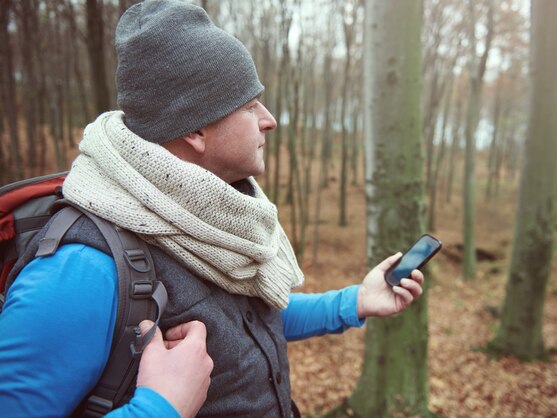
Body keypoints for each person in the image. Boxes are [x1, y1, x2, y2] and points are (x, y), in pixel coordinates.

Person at [0, 0, 425, 417]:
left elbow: (250, 321)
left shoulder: (211, 222)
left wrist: (355, 302)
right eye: (249, 105)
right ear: (197, 130)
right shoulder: (82, 268)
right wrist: (159, 407)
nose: (270, 119)